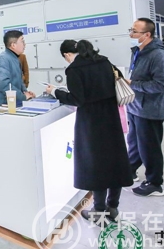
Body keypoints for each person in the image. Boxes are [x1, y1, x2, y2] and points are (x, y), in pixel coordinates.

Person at [46, 40, 133, 224]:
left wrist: (55, 92)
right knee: (114, 162)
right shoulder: (104, 61)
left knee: (97, 166)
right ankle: (113, 207)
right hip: (112, 119)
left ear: (67, 55)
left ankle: (99, 210)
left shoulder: (74, 69)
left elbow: (77, 99)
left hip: (91, 123)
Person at [126, 18, 164, 197]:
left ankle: (154, 183)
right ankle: (130, 170)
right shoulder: (138, 51)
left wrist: (133, 84)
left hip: (149, 110)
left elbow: (162, 85)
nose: (131, 34)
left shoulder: (158, 55)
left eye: (134, 31)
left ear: (146, 35)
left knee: (149, 148)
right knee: (134, 143)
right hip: (135, 106)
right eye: (130, 30)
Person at [0, 30, 35, 108]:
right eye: (22, 41)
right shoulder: (2, 59)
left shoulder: (15, 59)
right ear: (13, 45)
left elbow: (20, 82)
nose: (25, 44)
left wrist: (26, 93)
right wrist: (23, 97)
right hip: (3, 107)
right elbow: (5, 85)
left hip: (14, 104)